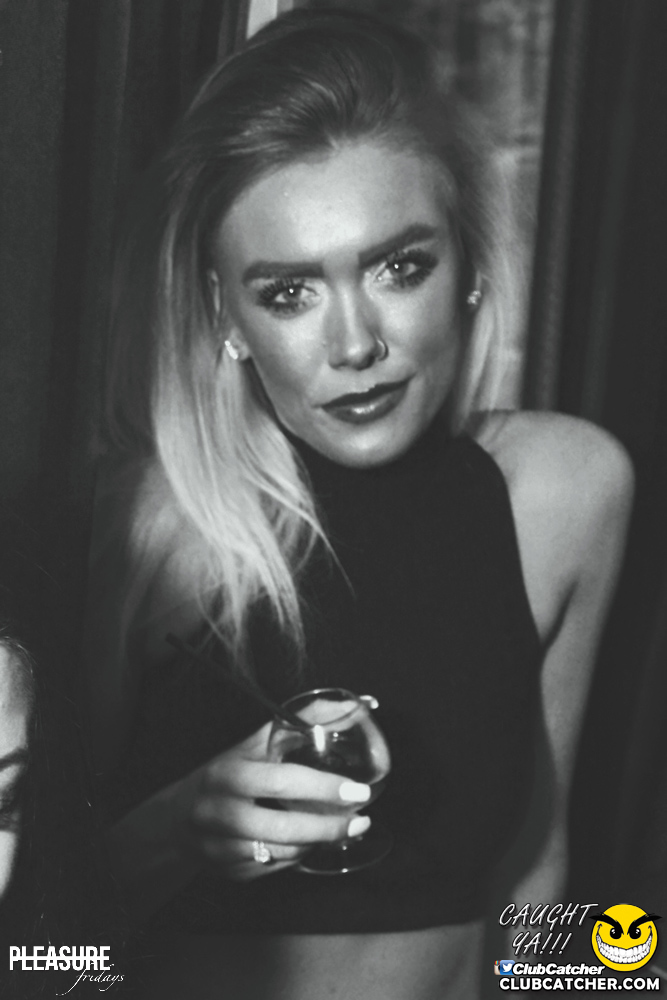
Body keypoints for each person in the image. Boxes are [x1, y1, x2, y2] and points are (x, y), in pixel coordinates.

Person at [84, 9, 634, 999]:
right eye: (288, 292)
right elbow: (27, 942)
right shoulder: (150, 525)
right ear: (224, 313)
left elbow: (536, 861)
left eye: (399, 267)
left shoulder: (564, 490)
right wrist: (178, 828)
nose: (354, 345)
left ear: (469, 266)